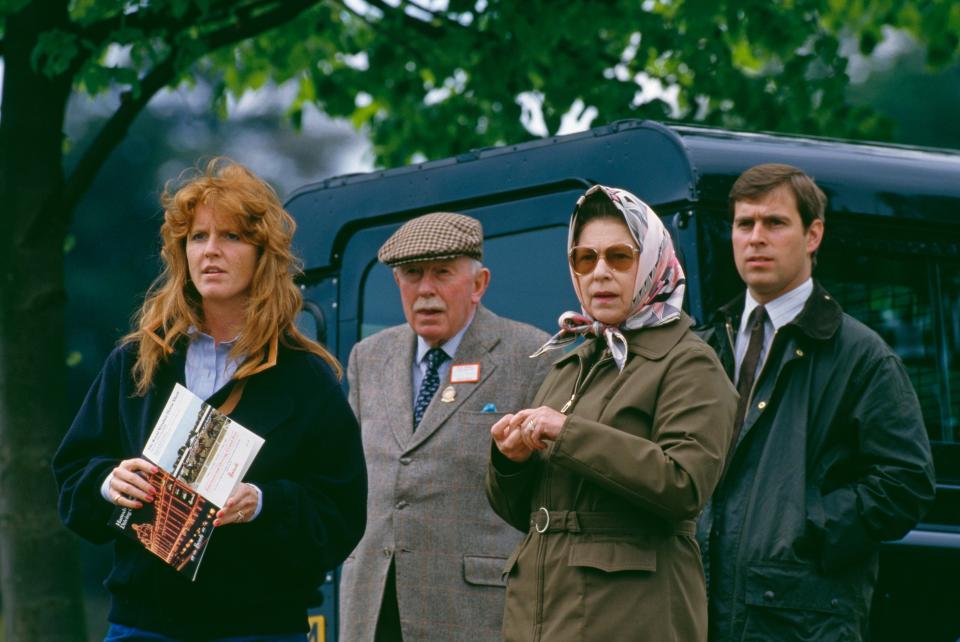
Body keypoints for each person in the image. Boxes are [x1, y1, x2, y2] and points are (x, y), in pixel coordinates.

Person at [53, 158, 367, 641]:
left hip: (258, 629)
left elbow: (343, 513)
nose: (211, 252)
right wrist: (106, 482)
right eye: (198, 237)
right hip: (142, 627)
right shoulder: (138, 362)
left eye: (232, 237)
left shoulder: (305, 377)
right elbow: (72, 475)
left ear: (264, 254)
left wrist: (264, 503)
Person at [697, 163, 936, 641]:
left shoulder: (861, 355)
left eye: (775, 223)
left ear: (813, 234)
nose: (756, 238)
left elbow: (907, 483)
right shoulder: (705, 346)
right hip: (697, 611)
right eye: (745, 224)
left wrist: (802, 530)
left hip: (801, 621)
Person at [486, 185, 736, 642]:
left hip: (628, 619)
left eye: (619, 257)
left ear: (654, 263)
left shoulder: (689, 361)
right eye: (585, 259)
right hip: (541, 618)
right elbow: (527, 514)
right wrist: (510, 460)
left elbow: (685, 485)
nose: (599, 273)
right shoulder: (572, 360)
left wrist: (568, 434)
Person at [339, 212, 551, 641]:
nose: (426, 290)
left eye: (442, 273)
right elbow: (350, 478)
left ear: (479, 284)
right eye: (412, 274)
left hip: (477, 610)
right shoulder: (369, 357)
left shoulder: (531, 354)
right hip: (372, 607)